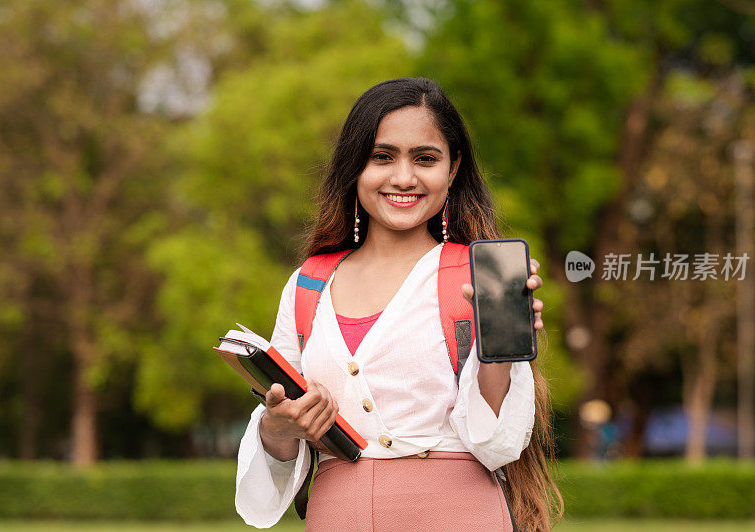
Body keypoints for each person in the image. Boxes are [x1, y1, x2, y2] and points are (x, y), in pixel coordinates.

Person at [235, 77, 563, 531]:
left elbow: (497, 445)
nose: (404, 177)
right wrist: (278, 426)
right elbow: (274, 467)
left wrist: (499, 354)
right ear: (355, 167)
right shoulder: (308, 283)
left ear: (452, 169)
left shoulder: (477, 278)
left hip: (456, 515)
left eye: (425, 159)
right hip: (336, 516)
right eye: (382, 157)